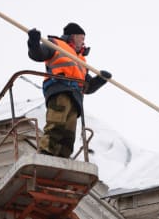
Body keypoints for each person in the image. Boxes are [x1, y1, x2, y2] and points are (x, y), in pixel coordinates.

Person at [27, 22, 111, 158]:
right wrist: (34, 41)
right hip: (59, 89)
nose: (83, 41)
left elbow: (87, 86)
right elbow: (37, 54)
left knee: (69, 133)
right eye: (81, 37)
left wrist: (101, 80)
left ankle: (63, 157)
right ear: (73, 36)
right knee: (57, 123)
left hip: (75, 96)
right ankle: (46, 153)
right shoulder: (56, 45)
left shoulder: (81, 60)